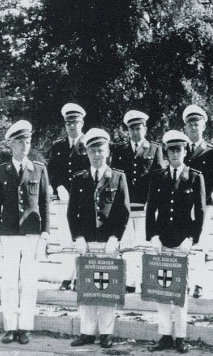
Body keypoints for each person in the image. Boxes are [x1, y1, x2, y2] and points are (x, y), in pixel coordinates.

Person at [67, 128, 130, 349]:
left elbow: (123, 211)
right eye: (92, 150)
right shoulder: (79, 179)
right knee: (87, 288)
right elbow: (71, 212)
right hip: (87, 242)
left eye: (100, 150)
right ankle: (86, 332)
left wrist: (116, 237)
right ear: (86, 153)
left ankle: (106, 333)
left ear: (108, 151)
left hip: (107, 242)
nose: (96, 155)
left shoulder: (118, 177)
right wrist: (77, 237)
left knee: (107, 289)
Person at [0, 120, 50, 345]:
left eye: (28, 141)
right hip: (8, 233)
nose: (25, 146)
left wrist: (45, 232)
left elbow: (44, 204)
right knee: (8, 282)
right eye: (19, 142)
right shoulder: (0, 171)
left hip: (32, 233)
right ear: (11, 145)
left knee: (29, 281)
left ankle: (24, 327)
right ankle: (10, 327)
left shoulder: (39, 169)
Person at [146, 130, 206, 353]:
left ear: (185, 151)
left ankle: (180, 336)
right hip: (162, 240)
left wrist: (192, 238)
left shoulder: (194, 177)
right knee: (162, 291)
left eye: (178, 149)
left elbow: (199, 211)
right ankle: (164, 336)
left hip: (182, 242)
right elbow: (151, 209)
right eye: (170, 150)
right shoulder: (158, 176)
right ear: (166, 152)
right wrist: (152, 236)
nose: (174, 154)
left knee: (180, 292)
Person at [112, 110, 165, 294]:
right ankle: (130, 282)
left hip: (145, 207)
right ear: (128, 130)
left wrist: (155, 203)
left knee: (145, 244)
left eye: (139, 128)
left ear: (145, 128)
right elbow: (116, 178)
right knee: (128, 245)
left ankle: (145, 281)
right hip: (126, 206)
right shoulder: (119, 150)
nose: (135, 132)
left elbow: (158, 177)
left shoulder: (154, 149)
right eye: (132, 128)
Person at [49, 103, 90, 292]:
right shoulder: (58, 146)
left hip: (83, 200)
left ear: (82, 122)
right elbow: (52, 171)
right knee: (66, 239)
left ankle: (81, 278)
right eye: (68, 123)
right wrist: (58, 186)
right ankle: (66, 277)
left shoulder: (89, 144)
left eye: (75, 122)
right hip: (63, 201)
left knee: (82, 238)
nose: (72, 126)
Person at [182, 105, 213, 207]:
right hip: (181, 202)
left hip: (204, 202)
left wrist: (198, 201)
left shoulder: (211, 151)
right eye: (190, 125)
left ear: (203, 127)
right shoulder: (180, 149)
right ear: (185, 128)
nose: (193, 128)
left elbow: (211, 181)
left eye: (196, 124)